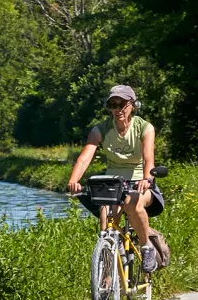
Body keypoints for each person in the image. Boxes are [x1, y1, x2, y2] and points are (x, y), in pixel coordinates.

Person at [67, 85, 164, 272]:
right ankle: (106, 278)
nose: (118, 109)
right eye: (113, 104)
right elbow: (85, 157)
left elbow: (148, 158)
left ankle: (146, 247)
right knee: (106, 227)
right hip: (112, 183)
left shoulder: (144, 128)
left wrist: (146, 179)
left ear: (133, 106)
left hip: (140, 182)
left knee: (132, 203)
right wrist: (74, 180)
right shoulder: (100, 130)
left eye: (122, 104)